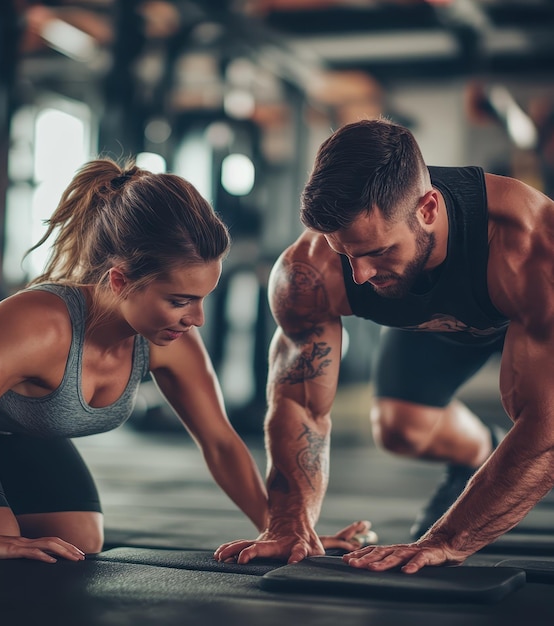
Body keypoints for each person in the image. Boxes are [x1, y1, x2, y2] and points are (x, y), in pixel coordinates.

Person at [0, 158, 367, 563]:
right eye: (179, 300)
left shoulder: (167, 341)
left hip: (5, 427)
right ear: (120, 280)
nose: (195, 319)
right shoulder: (38, 325)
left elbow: (220, 441)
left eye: (201, 301)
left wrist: (283, 528)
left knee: (78, 540)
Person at [214, 117, 554, 573]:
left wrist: (447, 539)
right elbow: (299, 403)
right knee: (400, 430)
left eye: (377, 252)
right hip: (430, 322)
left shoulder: (532, 245)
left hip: (514, 310)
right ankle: (478, 450)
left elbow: (546, 430)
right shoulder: (309, 270)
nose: (360, 276)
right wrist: (290, 524)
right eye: (346, 253)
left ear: (428, 208)